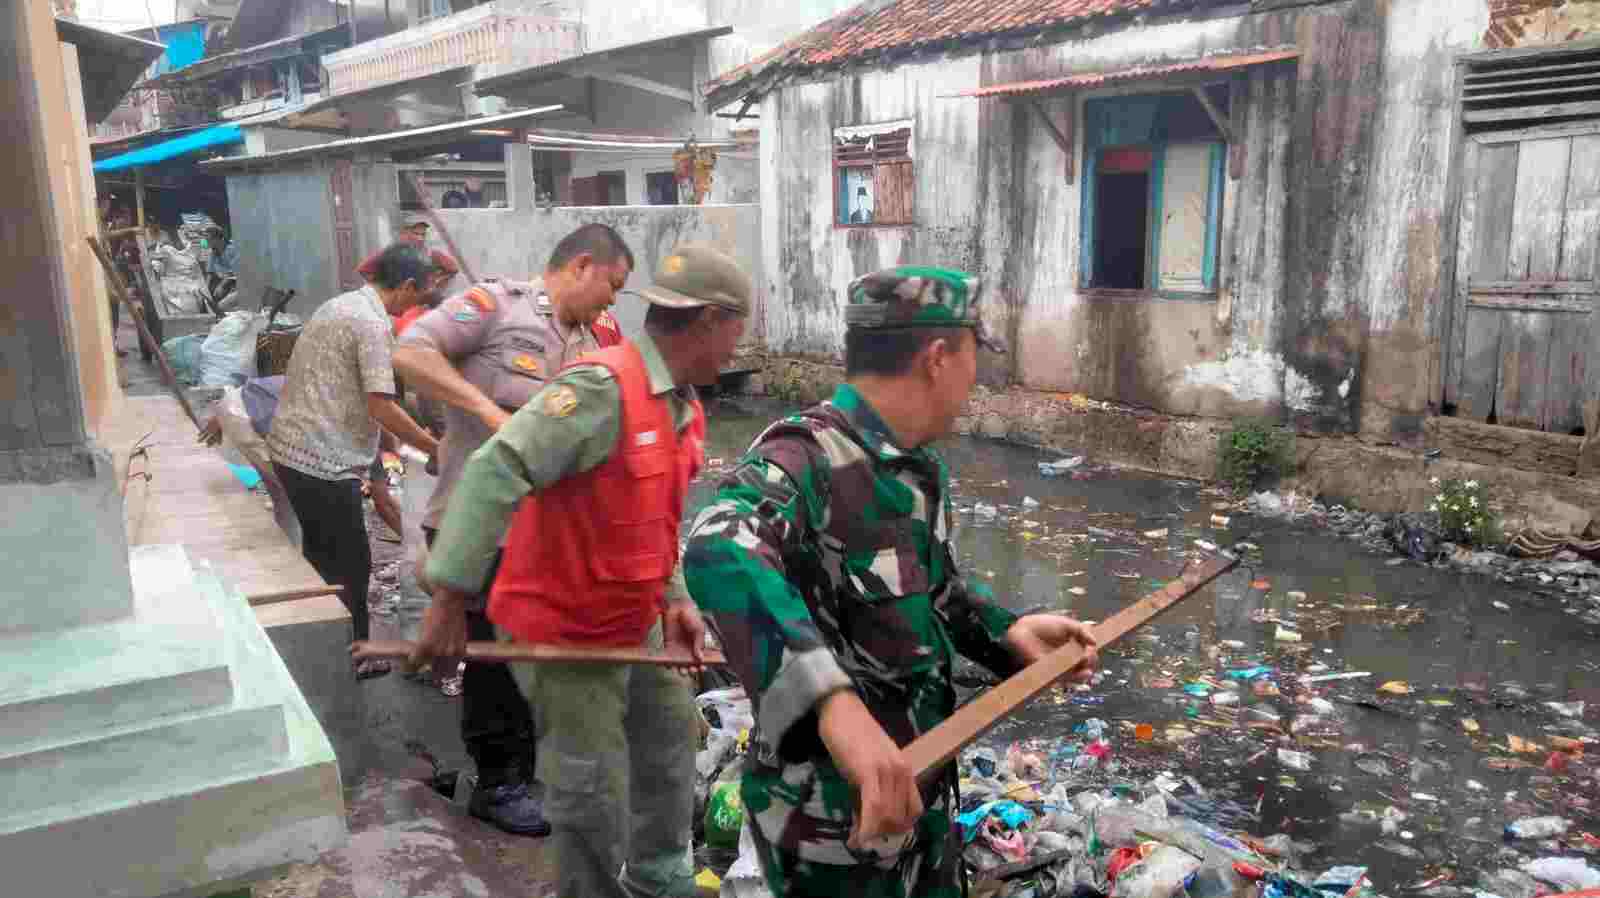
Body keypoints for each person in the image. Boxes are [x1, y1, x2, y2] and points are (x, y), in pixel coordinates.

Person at [682, 266, 1100, 897]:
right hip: (829, 826)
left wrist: (1008, 633)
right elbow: (717, 543)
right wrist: (836, 708)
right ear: (937, 357)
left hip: (920, 798)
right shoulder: (806, 456)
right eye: (972, 359)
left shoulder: (914, 471)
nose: (974, 382)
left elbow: (933, 589)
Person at [412, 242, 752, 898]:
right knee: (591, 788)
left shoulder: (683, 406)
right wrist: (448, 599)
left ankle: (659, 879)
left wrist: (676, 598)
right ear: (709, 320)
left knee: (670, 741)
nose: (738, 347)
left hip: (631, 614)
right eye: (736, 329)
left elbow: (653, 521)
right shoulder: (602, 388)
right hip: (563, 625)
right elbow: (495, 469)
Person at [392, 223, 634, 837]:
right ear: (581, 265)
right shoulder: (494, 306)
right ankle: (498, 781)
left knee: (532, 649)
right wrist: (485, 409)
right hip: (476, 517)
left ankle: (522, 769)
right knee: (494, 652)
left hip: (542, 528)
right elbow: (411, 354)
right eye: (611, 287)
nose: (612, 303)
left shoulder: (590, 344)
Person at [269, 242, 442, 679]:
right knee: (352, 562)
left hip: (296, 451)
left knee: (323, 554)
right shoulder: (372, 325)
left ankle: (331, 644)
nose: (416, 307)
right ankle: (359, 655)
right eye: (420, 297)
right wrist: (434, 448)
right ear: (404, 287)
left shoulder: (340, 305)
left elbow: (363, 399)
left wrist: (396, 447)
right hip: (322, 459)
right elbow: (382, 405)